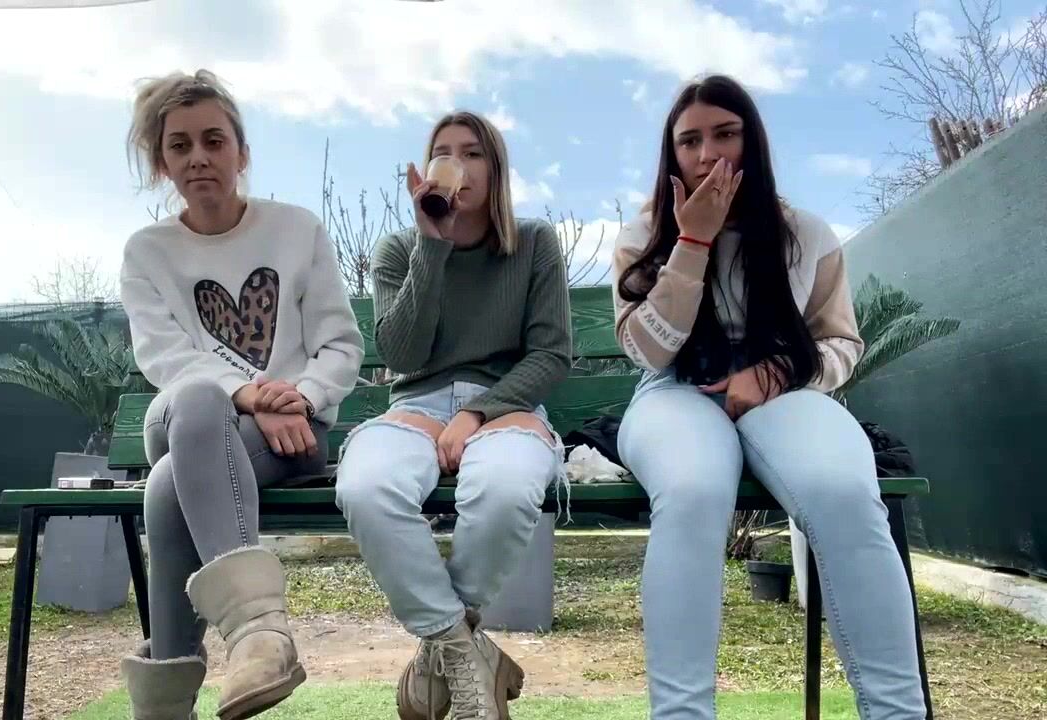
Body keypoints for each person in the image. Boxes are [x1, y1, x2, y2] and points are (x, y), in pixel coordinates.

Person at [611, 74, 926, 719]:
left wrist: (773, 374)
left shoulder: (805, 234)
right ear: (671, 154)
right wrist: (692, 243)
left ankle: (899, 712)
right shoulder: (642, 235)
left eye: (725, 134)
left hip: (787, 390)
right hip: (675, 390)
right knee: (693, 492)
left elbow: (840, 344)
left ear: (751, 141)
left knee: (846, 494)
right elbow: (648, 351)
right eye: (689, 141)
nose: (707, 154)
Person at [118, 69, 364, 720]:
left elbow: (340, 345)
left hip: (292, 434)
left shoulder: (297, 230)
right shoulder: (147, 251)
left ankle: (164, 709)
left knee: (169, 485)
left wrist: (299, 400)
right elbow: (166, 357)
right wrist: (250, 393)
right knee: (201, 397)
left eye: (214, 140)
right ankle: (257, 633)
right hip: (185, 415)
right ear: (162, 163)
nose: (198, 156)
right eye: (179, 145)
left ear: (242, 153)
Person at [335, 111, 572, 720]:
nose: (456, 165)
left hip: (506, 405)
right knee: (365, 488)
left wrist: (477, 412)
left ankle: (438, 651)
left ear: (495, 170)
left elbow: (551, 353)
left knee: (506, 489)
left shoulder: (534, 242)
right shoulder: (399, 249)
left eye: (472, 153)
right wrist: (431, 246)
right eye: (442, 152)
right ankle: (464, 650)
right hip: (416, 406)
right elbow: (401, 354)